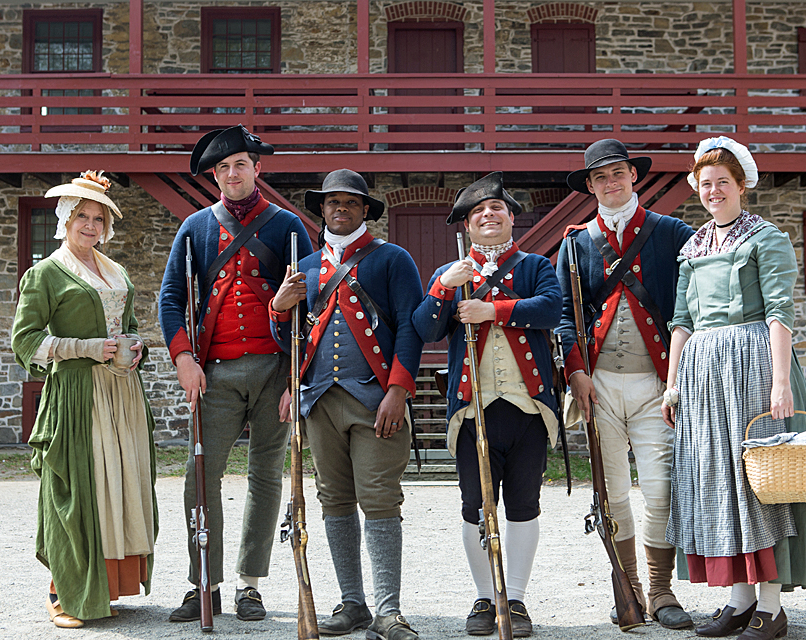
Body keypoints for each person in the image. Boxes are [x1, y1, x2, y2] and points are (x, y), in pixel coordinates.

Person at [662, 136, 806, 639]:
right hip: (703, 376)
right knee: (720, 483)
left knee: (761, 485)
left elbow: (779, 313)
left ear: (742, 185)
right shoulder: (694, 245)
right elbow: (681, 320)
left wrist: (781, 383)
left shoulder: (766, 238)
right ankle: (739, 600)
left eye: (723, 182)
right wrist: (672, 383)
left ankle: (771, 605)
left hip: (754, 368)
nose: (714, 191)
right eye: (706, 184)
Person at [158, 125, 313, 623]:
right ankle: (204, 580)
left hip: (274, 369)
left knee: (266, 476)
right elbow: (171, 300)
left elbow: (311, 304)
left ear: (257, 169)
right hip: (214, 372)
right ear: (215, 175)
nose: (231, 174)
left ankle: (250, 584)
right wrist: (183, 357)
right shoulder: (196, 227)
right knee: (199, 476)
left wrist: (295, 376)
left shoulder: (288, 227)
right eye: (222, 168)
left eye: (240, 164)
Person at [270, 169, 424, 640]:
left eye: (350, 202)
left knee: (379, 499)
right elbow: (291, 339)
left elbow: (410, 328)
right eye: (332, 202)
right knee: (333, 500)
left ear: (364, 209)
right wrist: (279, 306)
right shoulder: (307, 266)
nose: (340, 209)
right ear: (322, 210)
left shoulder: (392, 259)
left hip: (376, 400)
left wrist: (398, 389)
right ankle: (352, 603)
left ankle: (388, 609)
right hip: (318, 401)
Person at [413, 172, 561, 638]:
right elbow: (426, 329)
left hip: (528, 408)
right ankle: (484, 596)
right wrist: (443, 289)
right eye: (478, 212)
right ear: (467, 227)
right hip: (472, 408)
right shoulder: (450, 272)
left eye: (496, 209)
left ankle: (514, 598)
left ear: (511, 217)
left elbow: (551, 309)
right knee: (475, 505)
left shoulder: (535, 265)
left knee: (523, 503)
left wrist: (493, 310)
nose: (488, 216)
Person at [555, 139, 695, 629]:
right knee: (612, 494)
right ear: (590, 187)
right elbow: (564, 318)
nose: (611, 183)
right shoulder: (574, 244)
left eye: (618, 173)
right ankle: (629, 589)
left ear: (633, 176)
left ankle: (661, 591)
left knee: (660, 492)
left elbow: (689, 309)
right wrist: (576, 373)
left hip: (656, 385)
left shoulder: (673, 233)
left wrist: (679, 379)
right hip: (600, 386)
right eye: (600, 177)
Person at [12, 171, 157, 628]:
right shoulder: (46, 273)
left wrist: (136, 348)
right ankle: (64, 592)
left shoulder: (115, 271)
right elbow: (25, 340)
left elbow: (128, 324)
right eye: (82, 217)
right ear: (65, 220)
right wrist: (85, 348)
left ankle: (105, 588)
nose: (91, 225)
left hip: (122, 393)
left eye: (98, 218)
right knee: (75, 488)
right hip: (77, 394)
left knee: (118, 485)